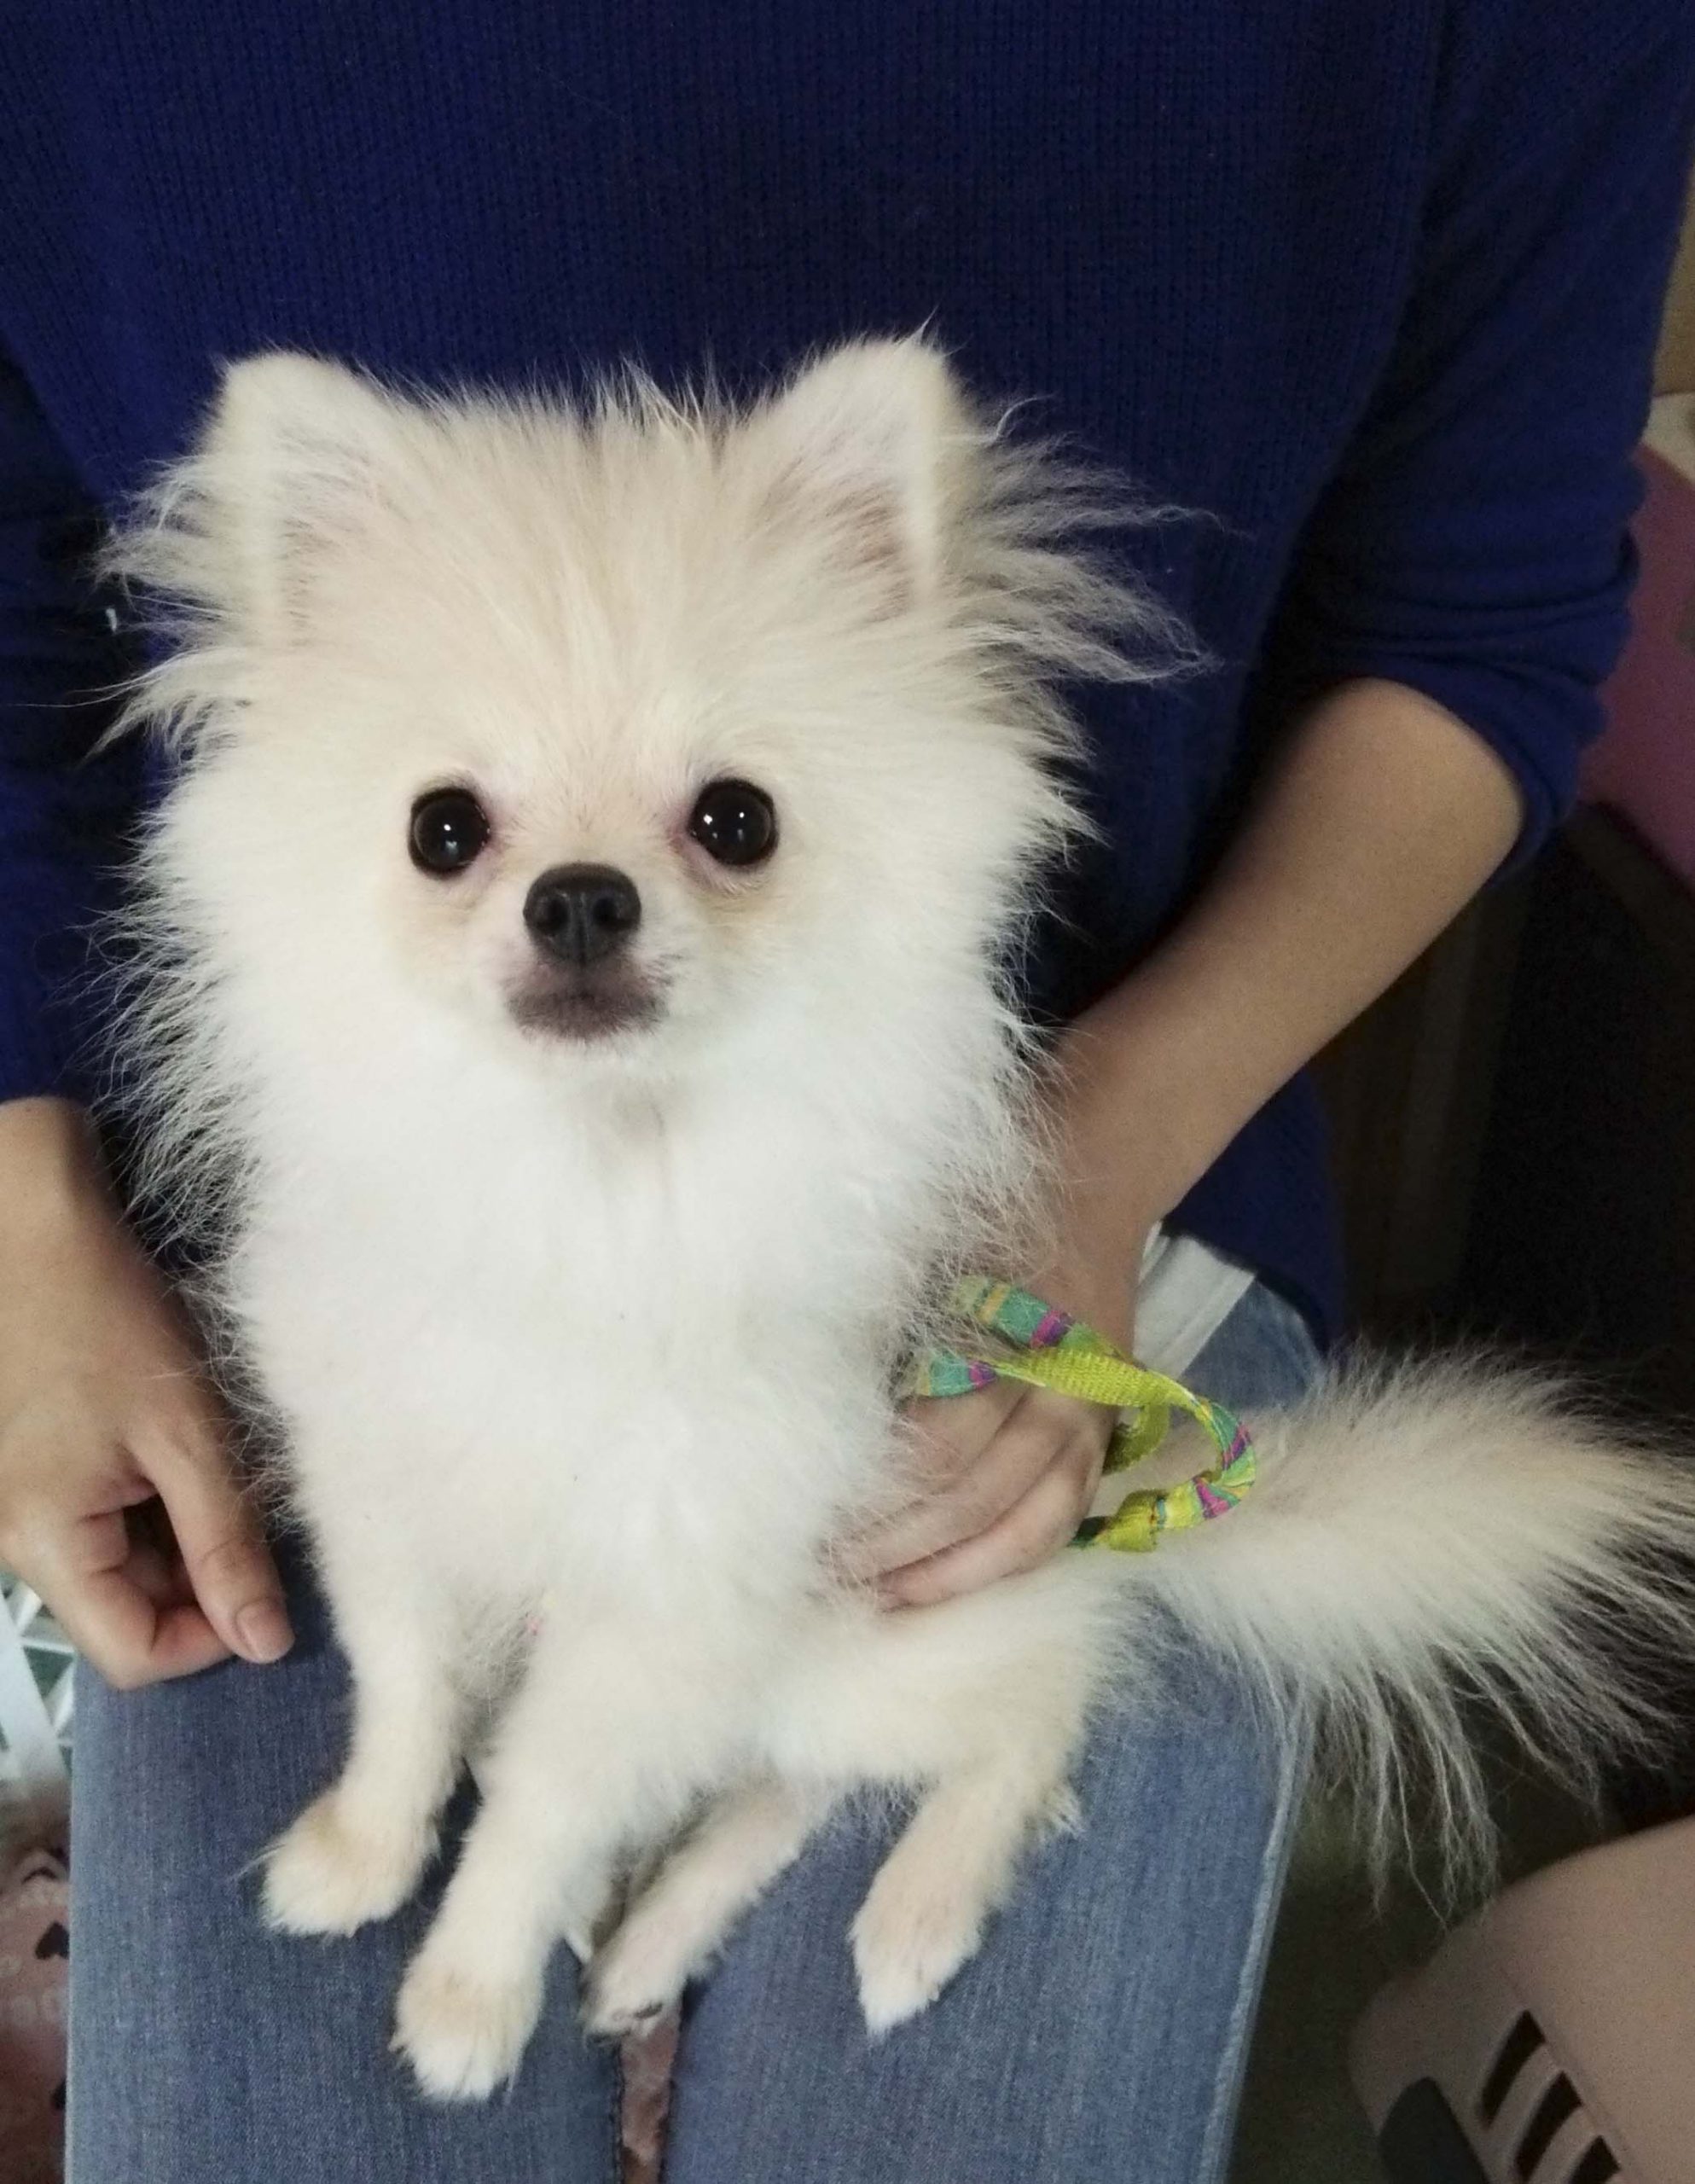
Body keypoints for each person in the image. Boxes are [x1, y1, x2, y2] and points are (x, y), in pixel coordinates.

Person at [0, 5, 1690, 2178]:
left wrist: (1090, 1154)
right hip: (309, 1171)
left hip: (1090, 1164)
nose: (581, 895)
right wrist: (23, 1203)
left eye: (719, 824)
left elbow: (1479, 622)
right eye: (457, 831)